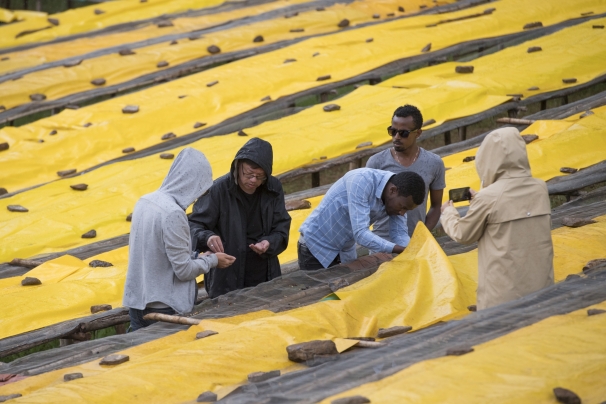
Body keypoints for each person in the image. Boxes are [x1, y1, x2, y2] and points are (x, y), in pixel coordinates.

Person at [440, 127, 554, 310]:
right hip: (541, 290)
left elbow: (463, 234)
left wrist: (448, 213)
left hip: (502, 297)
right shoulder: (540, 188)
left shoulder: (488, 198)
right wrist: (480, 200)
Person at [123, 148, 236, 331]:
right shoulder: (173, 213)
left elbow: (159, 255)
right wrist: (213, 260)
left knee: (139, 358)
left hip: (137, 302)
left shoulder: (145, 201)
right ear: (193, 183)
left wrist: (198, 257)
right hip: (164, 308)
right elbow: (183, 271)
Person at [189, 138, 291, 299]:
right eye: (249, 174)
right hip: (226, 275)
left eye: (260, 177)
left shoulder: (273, 188)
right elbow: (194, 225)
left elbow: (281, 227)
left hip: (264, 272)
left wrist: (269, 242)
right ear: (238, 165)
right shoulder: (218, 190)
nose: (253, 181)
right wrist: (208, 237)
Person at [298, 169, 425, 271]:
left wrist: (412, 251)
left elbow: (399, 233)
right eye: (402, 207)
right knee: (318, 299)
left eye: (407, 210)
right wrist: (398, 249)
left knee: (344, 297)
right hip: (316, 248)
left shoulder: (399, 196)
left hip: (344, 251)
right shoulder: (361, 182)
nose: (402, 213)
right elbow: (360, 234)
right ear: (392, 191)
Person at [366, 104, 445, 239]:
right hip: (382, 242)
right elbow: (365, 205)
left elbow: (436, 205)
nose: (396, 137)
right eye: (392, 131)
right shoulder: (376, 163)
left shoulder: (434, 163)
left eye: (403, 133)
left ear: (418, 133)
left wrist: (422, 234)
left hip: (415, 243)